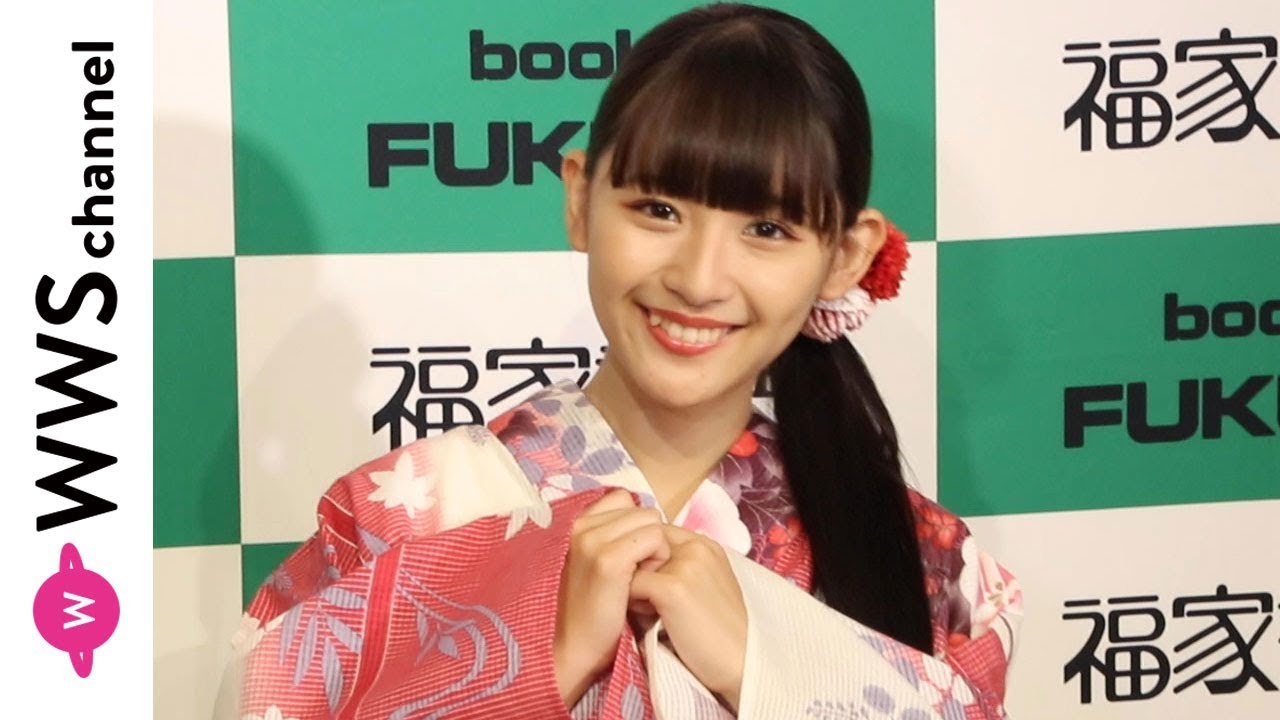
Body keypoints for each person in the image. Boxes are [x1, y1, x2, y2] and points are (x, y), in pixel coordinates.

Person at [227, 4, 1022, 719]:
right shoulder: (393, 518)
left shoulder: (933, 567)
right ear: (579, 199)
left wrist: (768, 667)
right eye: (658, 209)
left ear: (847, 256)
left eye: (768, 230)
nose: (699, 280)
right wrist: (537, 659)